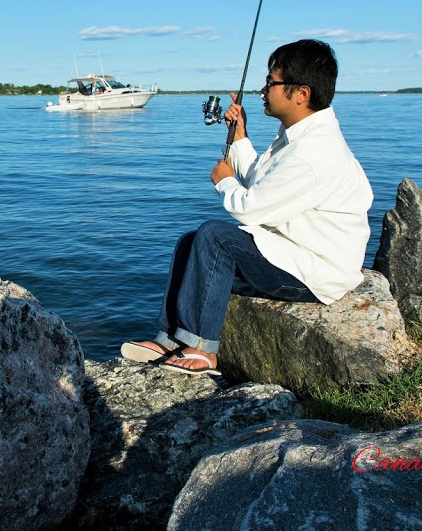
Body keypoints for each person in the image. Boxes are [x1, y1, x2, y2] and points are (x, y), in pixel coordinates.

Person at [121, 39, 373, 375]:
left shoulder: (314, 152)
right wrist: (239, 135)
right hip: (291, 252)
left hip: (317, 272)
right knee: (189, 242)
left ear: (301, 93)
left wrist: (225, 181)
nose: (263, 90)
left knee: (215, 236)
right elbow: (263, 181)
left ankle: (202, 349)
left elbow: (250, 209)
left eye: (272, 83)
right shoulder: (297, 137)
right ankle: (170, 339)